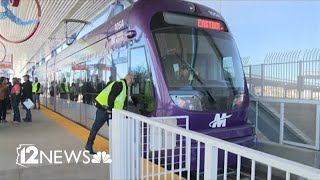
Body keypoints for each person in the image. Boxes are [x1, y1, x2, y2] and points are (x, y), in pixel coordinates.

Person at [85, 74, 135, 154]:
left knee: (96, 128)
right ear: (129, 79)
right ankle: (116, 151)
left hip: (104, 110)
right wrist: (110, 109)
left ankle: (88, 146)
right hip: (107, 111)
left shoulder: (122, 86)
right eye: (132, 83)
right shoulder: (120, 84)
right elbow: (111, 96)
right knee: (114, 130)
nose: (131, 85)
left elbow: (119, 100)